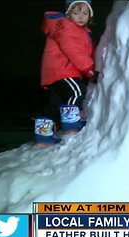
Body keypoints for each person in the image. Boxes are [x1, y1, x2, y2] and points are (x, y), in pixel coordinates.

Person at [35, 0, 98, 146]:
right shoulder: (67, 27)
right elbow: (74, 52)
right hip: (63, 71)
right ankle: (71, 125)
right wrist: (90, 70)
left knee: (54, 103)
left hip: (54, 72)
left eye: (85, 13)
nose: (81, 16)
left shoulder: (80, 31)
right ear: (68, 14)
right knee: (77, 92)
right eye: (76, 13)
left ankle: (43, 137)